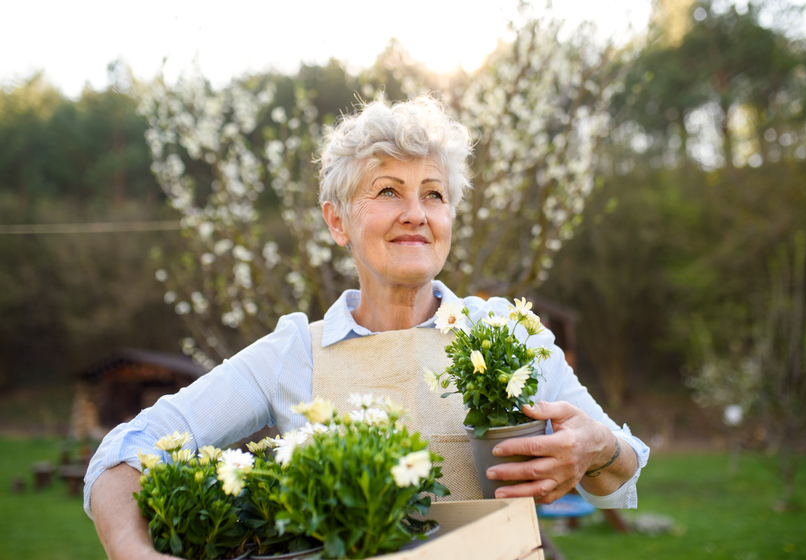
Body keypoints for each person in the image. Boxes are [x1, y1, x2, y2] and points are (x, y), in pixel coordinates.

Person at [85, 96, 649, 559]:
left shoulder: (506, 334)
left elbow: (618, 477)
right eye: (387, 192)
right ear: (338, 221)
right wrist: (136, 554)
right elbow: (121, 453)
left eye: (434, 193)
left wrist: (598, 449)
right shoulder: (294, 354)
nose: (416, 214)